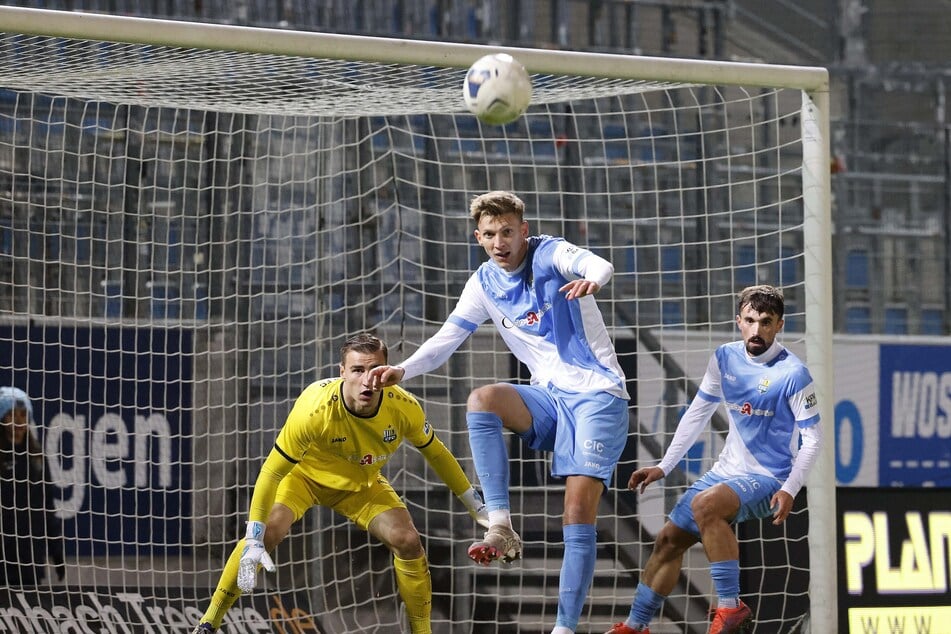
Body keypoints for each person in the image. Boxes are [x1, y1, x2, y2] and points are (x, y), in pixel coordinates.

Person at [368, 190, 630, 634]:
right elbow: (447, 339)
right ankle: (501, 524)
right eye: (490, 234)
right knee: (483, 399)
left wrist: (594, 281)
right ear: (479, 237)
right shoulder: (483, 283)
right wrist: (403, 369)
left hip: (597, 396)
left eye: (507, 231)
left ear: (523, 230)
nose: (499, 241)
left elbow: (597, 264)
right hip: (548, 398)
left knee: (576, 512)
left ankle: (564, 628)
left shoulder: (550, 253)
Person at [192, 333, 488, 634]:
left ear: (387, 371)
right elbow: (271, 472)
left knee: (408, 541)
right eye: (358, 370)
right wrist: (254, 537)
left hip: (362, 484)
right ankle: (208, 623)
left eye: (375, 370)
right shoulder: (314, 409)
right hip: (304, 479)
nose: (367, 380)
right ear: (342, 372)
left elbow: (437, 454)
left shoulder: (403, 407)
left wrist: (475, 505)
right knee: (266, 533)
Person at [606, 285, 822, 634]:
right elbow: (698, 412)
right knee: (667, 541)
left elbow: (813, 439)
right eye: (750, 320)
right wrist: (664, 465)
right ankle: (636, 626)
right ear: (738, 321)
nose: (757, 330)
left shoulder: (794, 374)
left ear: (779, 325)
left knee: (706, 506)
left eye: (766, 322)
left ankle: (729, 606)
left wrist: (791, 489)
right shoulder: (724, 357)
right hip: (727, 471)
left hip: (770, 477)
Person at [0, 386, 66, 587]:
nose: (18, 422)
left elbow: (47, 508)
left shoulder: (37, 458)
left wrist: (57, 552)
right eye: (12, 415)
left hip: (30, 560)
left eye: (23, 415)